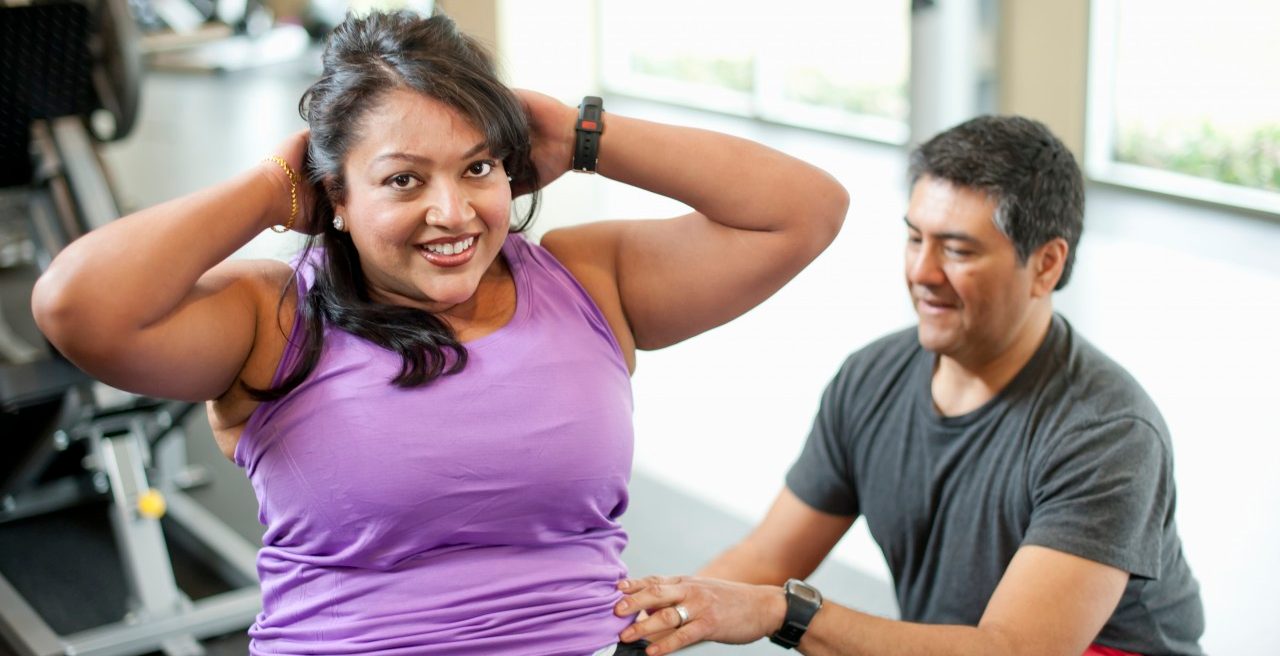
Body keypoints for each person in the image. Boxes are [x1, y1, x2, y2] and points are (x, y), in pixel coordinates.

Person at [30, 10, 848, 656]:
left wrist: (586, 133)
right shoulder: (271, 317)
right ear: (333, 199)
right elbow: (77, 307)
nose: (452, 213)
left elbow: (804, 212)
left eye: (478, 167)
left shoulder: (589, 281)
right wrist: (270, 188)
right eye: (402, 180)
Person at [615, 116, 1204, 656]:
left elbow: (1015, 651)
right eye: (916, 238)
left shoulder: (1107, 434)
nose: (922, 273)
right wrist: (651, 621)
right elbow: (766, 558)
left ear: (1046, 265)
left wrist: (785, 611)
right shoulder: (873, 379)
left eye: (957, 249)